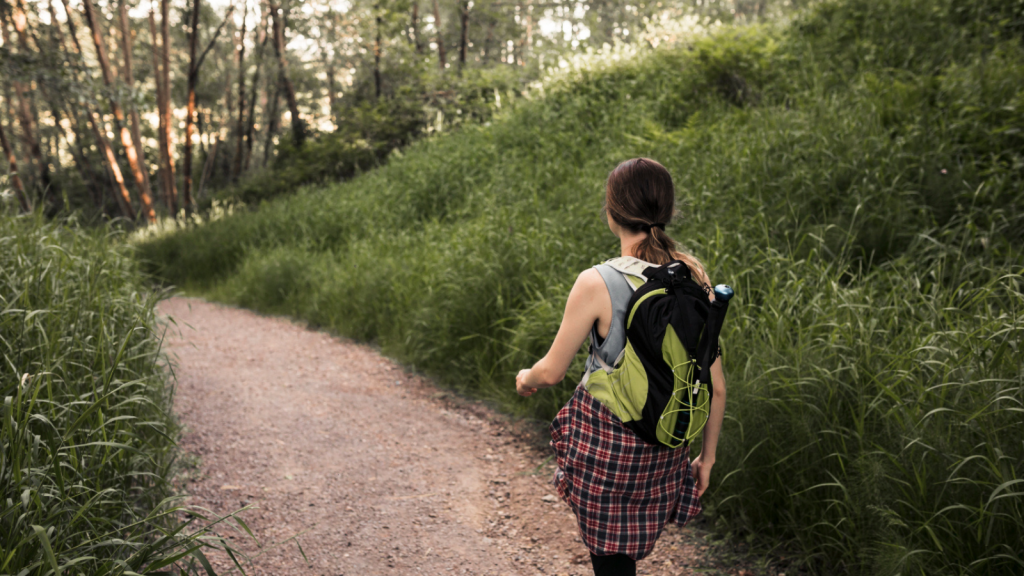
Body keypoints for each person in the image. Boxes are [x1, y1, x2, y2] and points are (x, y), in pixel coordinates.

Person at [515, 158, 727, 576]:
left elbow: (552, 372)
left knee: (610, 561)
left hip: (608, 450)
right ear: (665, 212)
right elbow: (716, 387)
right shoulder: (692, 276)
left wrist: (526, 378)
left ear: (612, 214)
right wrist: (707, 459)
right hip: (666, 447)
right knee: (622, 558)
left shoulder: (597, 282)